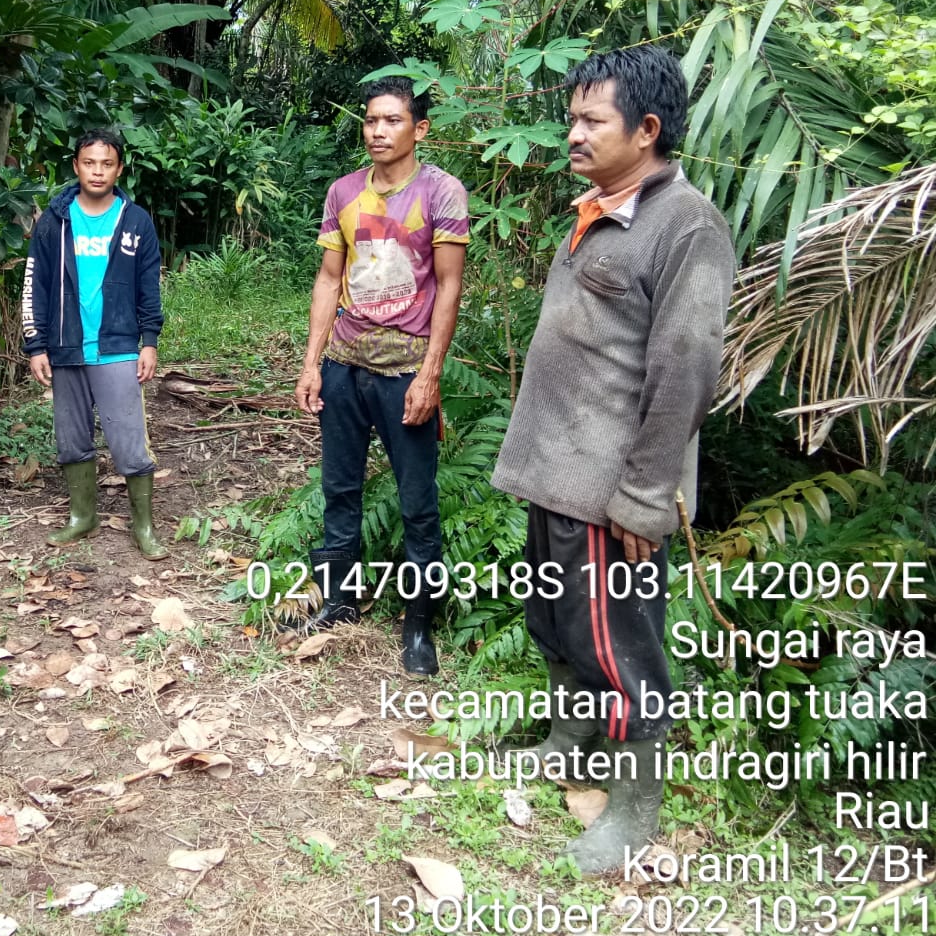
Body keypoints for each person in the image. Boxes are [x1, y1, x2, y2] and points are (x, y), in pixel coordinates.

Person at [491, 45, 735, 874]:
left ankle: (633, 810)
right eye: (573, 118)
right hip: (556, 471)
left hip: (609, 493)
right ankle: (568, 744)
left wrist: (642, 494)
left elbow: (687, 367)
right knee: (559, 625)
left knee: (622, 650)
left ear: (648, 128)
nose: (574, 133)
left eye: (592, 119)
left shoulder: (686, 225)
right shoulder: (603, 206)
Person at [293, 76, 469, 676]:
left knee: (417, 500)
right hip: (345, 363)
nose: (378, 131)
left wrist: (431, 374)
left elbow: (449, 285)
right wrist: (311, 362)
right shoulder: (343, 191)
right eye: (371, 120)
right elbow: (326, 279)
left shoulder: (441, 192)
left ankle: (419, 622)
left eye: (392, 120)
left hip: (404, 370)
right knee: (340, 488)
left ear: (418, 128)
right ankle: (338, 596)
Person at [22, 129, 167, 560]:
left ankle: (144, 525)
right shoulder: (53, 221)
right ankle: (82, 517)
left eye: (107, 164)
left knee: (129, 438)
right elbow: (34, 285)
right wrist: (36, 345)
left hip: (118, 346)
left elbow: (149, 285)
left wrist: (150, 341)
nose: (97, 171)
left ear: (119, 169)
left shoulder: (135, 221)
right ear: (76, 166)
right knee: (71, 437)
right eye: (90, 163)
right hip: (65, 346)